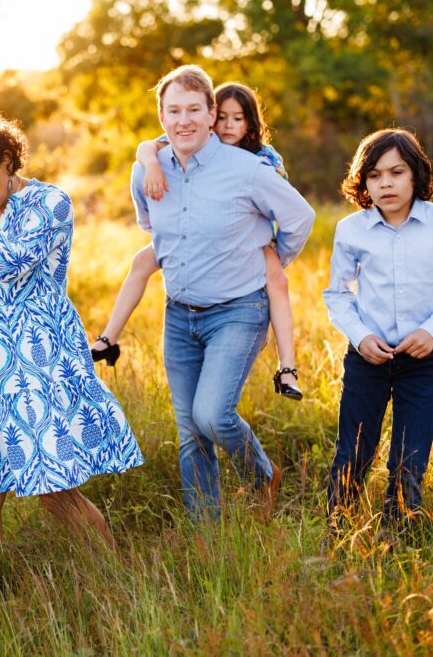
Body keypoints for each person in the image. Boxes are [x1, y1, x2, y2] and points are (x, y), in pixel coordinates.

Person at [0, 107, 143, 621]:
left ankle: (123, 586)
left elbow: (8, 263)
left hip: (40, 368)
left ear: (9, 160)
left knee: (55, 494)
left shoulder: (48, 204)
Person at [130, 65, 315, 519]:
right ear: (162, 115)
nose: (184, 120)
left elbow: (300, 218)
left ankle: (262, 475)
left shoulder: (248, 169)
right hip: (179, 314)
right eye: (173, 111)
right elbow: (152, 229)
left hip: (239, 309)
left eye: (194, 109)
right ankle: (206, 532)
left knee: (212, 415)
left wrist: (268, 256)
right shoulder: (147, 171)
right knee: (189, 429)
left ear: (212, 114)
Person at [92, 82, 303, 401]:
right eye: (224, 118)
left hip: (249, 240)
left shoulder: (260, 157)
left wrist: (272, 253)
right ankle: (108, 337)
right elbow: (148, 146)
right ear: (212, 117)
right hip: (194, 238)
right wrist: (150, 164)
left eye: (239, 119)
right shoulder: (190, 144)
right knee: (140, 262)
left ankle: (287, 366)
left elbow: (288, 206)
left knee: (276, 280)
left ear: (250, 123)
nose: (229, 126)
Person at [322, 128, 433, 538]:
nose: (386, 183)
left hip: (421, 361)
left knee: (410, 456)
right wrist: (360, 337)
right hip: (367, 359)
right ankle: (336, 532)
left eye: (396, 172)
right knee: (354, 451)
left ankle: (396, 538)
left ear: (415, 174)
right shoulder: (351, 230)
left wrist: (432, 331)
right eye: (374, 175)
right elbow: (337, 294)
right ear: (364, 182)